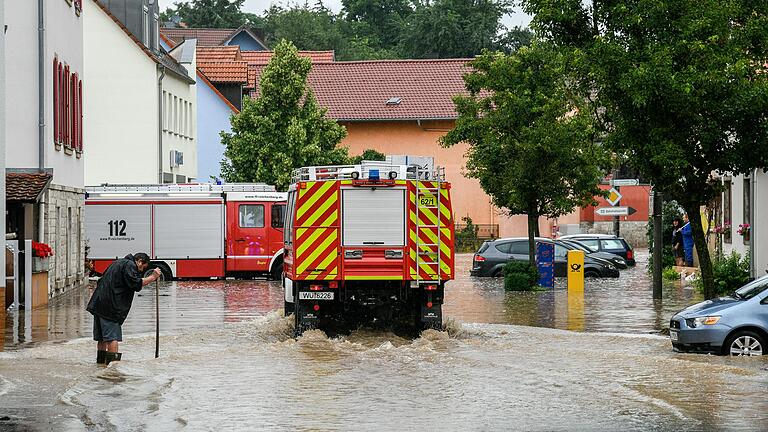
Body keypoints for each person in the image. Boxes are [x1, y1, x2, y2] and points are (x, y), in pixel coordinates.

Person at [86, 253, 161, 365]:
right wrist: (153, 277)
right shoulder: (129, 265)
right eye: (143, 267)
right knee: (112, 338)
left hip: (98, 304)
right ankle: (112, 369)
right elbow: (135, 283)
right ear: (139, 261)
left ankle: (100, 365)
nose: (141, 271)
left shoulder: (117, 262)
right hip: (111, 308)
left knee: (102, 338)